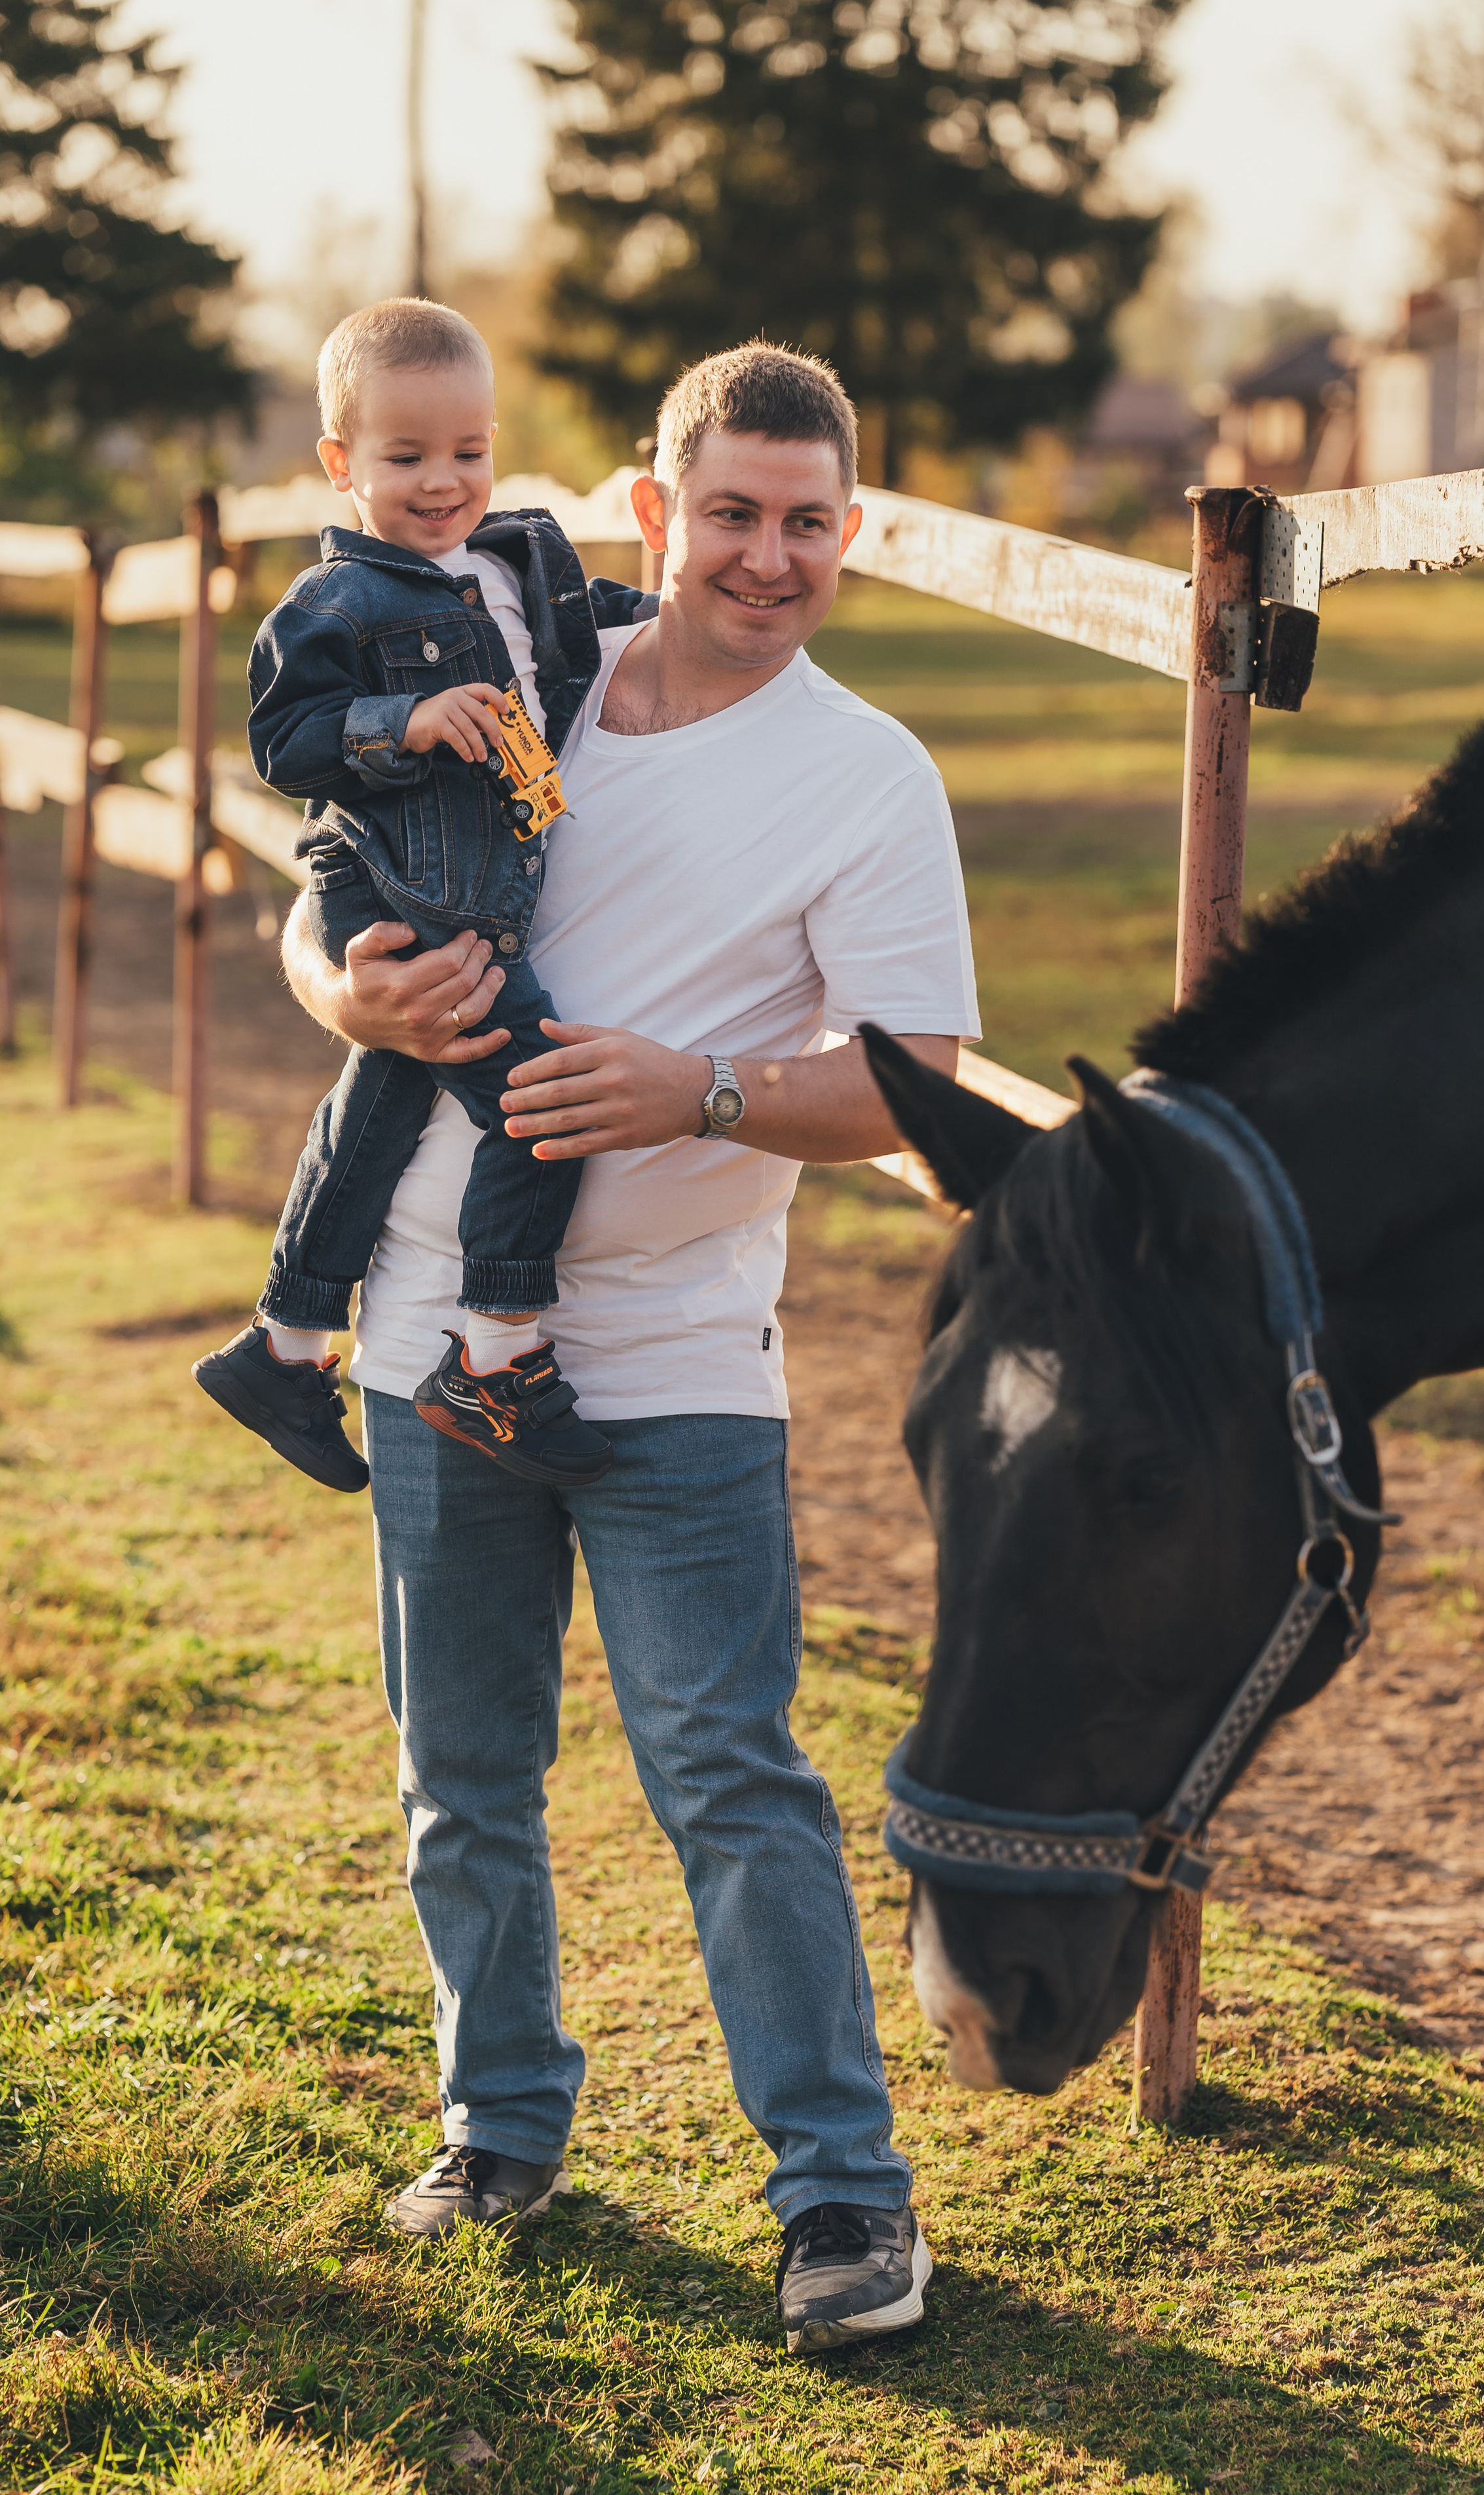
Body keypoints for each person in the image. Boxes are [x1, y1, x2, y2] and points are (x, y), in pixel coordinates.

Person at [278, 341, 980, 2354]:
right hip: (429, 1329)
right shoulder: (521, 667)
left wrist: (704, 1091)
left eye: (807, 522)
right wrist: (342, 996)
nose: (768, 557)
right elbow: (327, 873)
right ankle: (498, 2128)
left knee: (730, 1776)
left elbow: (920, 1078)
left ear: (850, 532)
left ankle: (842, 2198)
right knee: (462, 1774)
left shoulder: (870, 774)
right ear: (655, 510)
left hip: (674, 1360)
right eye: (731, 512)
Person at [195, 299, 652, 1495]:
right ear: (341, 463)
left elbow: (592, 629)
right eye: (406, 457)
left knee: (387, 1104)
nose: (444, 482)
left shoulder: (519, 557)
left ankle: (285, 1344)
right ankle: (495, 1356)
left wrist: (684, 622)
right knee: (544, 1106)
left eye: (469, 450)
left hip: (473, 887)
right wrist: (401, 720)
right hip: (396, 891)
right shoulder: (332, 604)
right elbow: (284, 742)